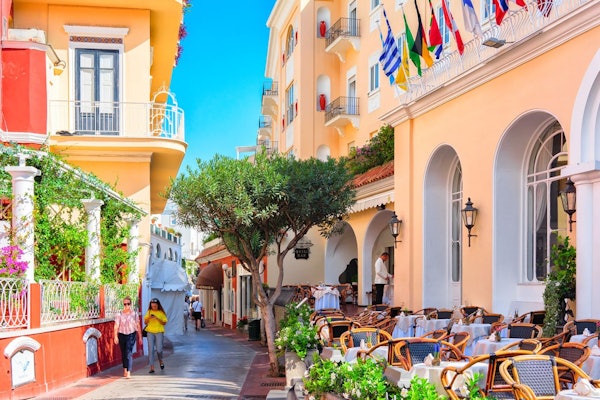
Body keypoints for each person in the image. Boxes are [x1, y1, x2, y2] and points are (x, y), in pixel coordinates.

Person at [113, 296, 142, 379]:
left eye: (128, 304)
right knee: (123, 353)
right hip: (122, 334)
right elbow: (116, 326)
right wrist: (115, 336)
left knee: (128, 352)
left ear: (130, 304)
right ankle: (125, 369)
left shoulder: (134, 314)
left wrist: (140, 337)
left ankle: (129, 371)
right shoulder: (119, 314)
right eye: (125, 304)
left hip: (131, 335)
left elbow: (138, 325)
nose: (126, 305)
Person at [143, 298, 168, 373]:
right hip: (150, 332)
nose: (153, 307)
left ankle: (161, 360)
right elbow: (145, 322)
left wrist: (157, 318)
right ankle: (152, 367)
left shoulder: (161, 312)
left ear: (158, 305)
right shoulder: (149, 312)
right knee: (150, 349)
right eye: (152, 306)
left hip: (159, 332)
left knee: (159, 349)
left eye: (155, 306)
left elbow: (164, 323)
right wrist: (149, 318)